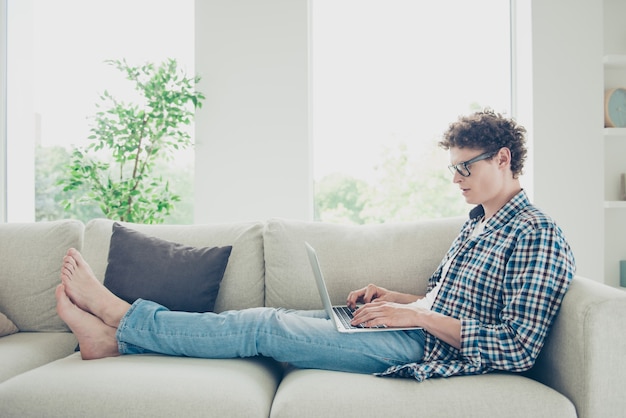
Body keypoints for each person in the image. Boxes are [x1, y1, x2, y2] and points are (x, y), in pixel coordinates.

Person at [56, 109, 575, 382]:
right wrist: (395, 300)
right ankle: (113, 344)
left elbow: (518, 345)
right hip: (416, 326)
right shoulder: (478, 222)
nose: (456, 178)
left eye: (467, 166)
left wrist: (414, 320)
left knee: (264, 327)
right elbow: (446, 297)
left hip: (430, 347)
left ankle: (123, 318)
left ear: (503, 158)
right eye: (452, 168)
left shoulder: (536, 233)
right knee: (270, 313)